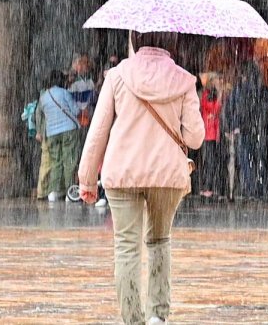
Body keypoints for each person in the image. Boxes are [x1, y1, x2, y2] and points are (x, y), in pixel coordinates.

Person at [78, 31, 203, 325]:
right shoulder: (184, 80)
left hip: (123, 172)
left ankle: (132, 319)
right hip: (167, 175)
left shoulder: (117, 75)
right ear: (171, 41)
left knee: (126, 245)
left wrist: (86, 179)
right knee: (159, 240)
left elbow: (98, 131)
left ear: (136, 37)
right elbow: (195, 138)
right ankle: (158, 315)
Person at [224, 59, 268, 200]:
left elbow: (231, 109)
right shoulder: (258, 89)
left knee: (248, 161)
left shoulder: (240, 90)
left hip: (246, 129)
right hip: (254, 129)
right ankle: (256, 189)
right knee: (256, 160)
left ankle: (250, 189)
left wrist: (232, 126)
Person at [37, 70, 82, 203]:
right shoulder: (64, 93)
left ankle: (55, 191)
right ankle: (70, 191)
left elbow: (41, 115)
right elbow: (75, 111)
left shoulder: (43, 97)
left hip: (52, 133)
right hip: (69, 130)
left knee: (56, 162)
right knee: (70, 161)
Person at [197, 75, 224, 199]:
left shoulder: (211, 94)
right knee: (209, 161)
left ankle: (211, 186)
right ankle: (207, 186)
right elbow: (213, 109)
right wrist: (219, 96)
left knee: (212, 161)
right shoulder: (207, 94)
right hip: (209, 133)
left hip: (213, 132)